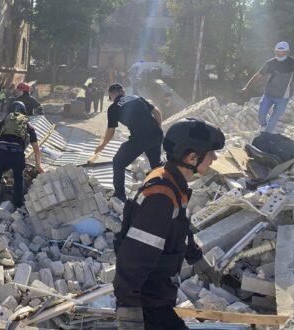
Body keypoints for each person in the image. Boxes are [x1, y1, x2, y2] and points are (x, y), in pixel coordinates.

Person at [113, 118, 225, 330]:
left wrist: (196, 258)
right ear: (192, 157)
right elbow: (134, 255)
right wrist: (128, 309)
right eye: (210, 152)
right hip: (147, 298)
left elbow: (178, 227)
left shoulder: (172, 181)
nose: (214, 157)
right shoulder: (161, 196)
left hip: (157, 292)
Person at [94, 83, 163, 202]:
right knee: (156, 163)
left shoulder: (113, 108)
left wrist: (103, 145)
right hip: (156, 134)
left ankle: (120, 195)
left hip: (140, 138)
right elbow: (157, 111)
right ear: (123, 92)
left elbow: (111, 130)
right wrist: (157, 128)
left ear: (111, 94)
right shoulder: (137, 97)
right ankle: (165, 189)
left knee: (118, 162)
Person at [0, 101, 43, 211]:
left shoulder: (4, 122)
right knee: (18, 178)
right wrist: (38, 165)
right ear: (24, 112)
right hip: (17, 155)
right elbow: (36, 149)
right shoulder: (28, 127)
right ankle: (17, 206)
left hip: (0, 153)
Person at [241, 41, 294, 133]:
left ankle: (266, 137)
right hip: (268, 95)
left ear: (287, 52)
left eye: (282, 53)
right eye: (277, 53)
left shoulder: (292, 63)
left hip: (283, 98)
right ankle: (263, 125)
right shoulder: (270, 63)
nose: (279, 55)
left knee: (273, 120)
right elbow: (257, 76)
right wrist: (247, 87)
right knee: (261, 115)